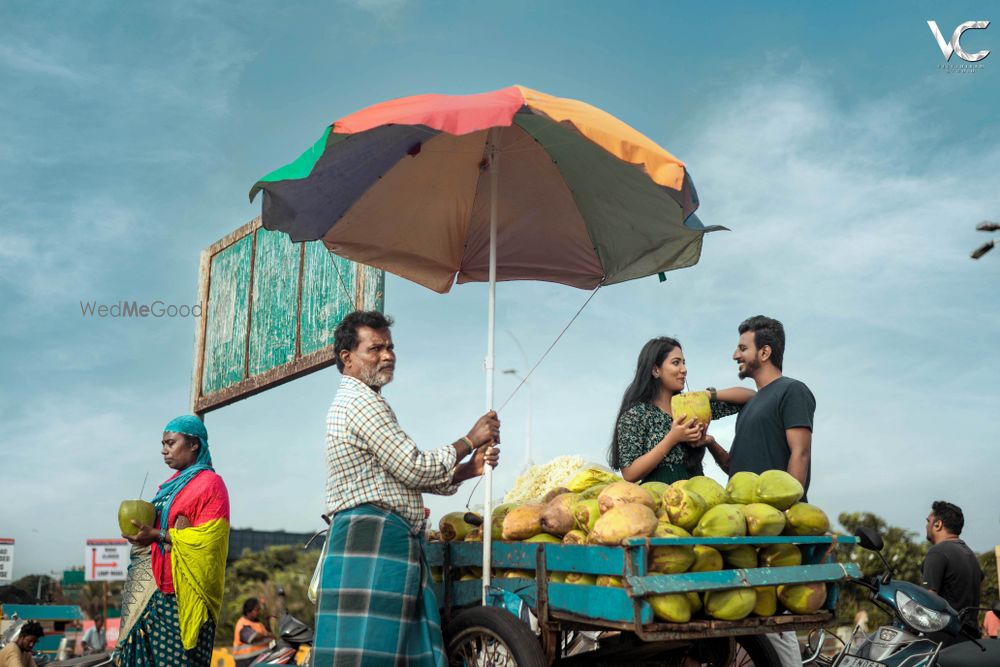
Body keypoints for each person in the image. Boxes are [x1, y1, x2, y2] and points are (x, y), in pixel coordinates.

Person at [315, 311, 500, 667]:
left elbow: (398, 477)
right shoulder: (361, 403)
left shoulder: (363, 401)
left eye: (390, 347)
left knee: (386, 651)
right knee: (374, 653)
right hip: (373, 539)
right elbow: (413, 466)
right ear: (347, 357)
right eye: (376, 348)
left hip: (377, 539)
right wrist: (469, 439)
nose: (388, 356)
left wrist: (466, 470)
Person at [115, 415, 230, 667]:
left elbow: (211, 540)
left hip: (182, 596)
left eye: (170, 443)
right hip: (153, 591)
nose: (163, 450)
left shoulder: (211, 484)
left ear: (193, 445)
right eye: (163, 444)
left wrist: (159, 535)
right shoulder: (167, 488)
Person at [608, 336, 754, 484]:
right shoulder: (637, 415)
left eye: (683, 363)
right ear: (655, 370)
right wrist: (673, 438)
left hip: (698, 495)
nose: (684, 370)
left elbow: (750, 396)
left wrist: (708, 395)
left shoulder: (692, 405)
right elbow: (630, 473)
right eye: (676, 363)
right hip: (660, 499)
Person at [718, 315, 815, 496]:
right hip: (745, 517)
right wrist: (709, 442)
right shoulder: (748, 406)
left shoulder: (792, 390)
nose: (735, 355)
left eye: (743, 349)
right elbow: (733, 467)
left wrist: (787, 508)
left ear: (764, 352)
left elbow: (800, 453)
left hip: (776, 518)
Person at [922, 500, 983, 637]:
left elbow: (929, 599)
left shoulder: (937, 552)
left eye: (928, 521)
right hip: (971, 638)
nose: (926, 526)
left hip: (945, 638)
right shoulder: (970, 554)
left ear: (938, 524)